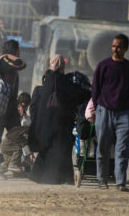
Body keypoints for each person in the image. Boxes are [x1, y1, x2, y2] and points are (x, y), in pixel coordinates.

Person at [29, 55, 89, 184]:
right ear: (63, 66)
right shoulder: (67, 84)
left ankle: (39, 177)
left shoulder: (42, 87)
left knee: (45, 151)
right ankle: (63, 178)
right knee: (62, 152)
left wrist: (37, 123)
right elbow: (82, 94)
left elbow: (33, 109)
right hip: (62, 125)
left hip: (44, 125)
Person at [92, 34, 129, 191]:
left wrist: (128, 108)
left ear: (125, 49)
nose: (115, 49)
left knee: (123, 149)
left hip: (124, 114)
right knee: (103, 148)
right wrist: (98, 107)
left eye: (118, 46)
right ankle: (101, 180)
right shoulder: (103, 66)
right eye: (113, 46)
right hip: (104, 112)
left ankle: (120, 182)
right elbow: (95, 89)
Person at [0, 40, 26, 179]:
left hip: (10, 107)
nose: (19, 54)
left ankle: (10, 164)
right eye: (18, 51)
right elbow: (22, 64)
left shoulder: (6, 62)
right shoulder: (2, 62)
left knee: (17, 135)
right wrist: (8, 56)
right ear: (13, 52)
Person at [0, 92, 33, 176]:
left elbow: (25, 138)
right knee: (17, 152)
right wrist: (29, 154)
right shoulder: (12, 116)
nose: (22, 108)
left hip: (18, 146)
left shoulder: (26, 120)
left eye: (25, 106)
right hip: (9, 145)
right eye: (21, 106)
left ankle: (1, 169)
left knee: (9, 166)